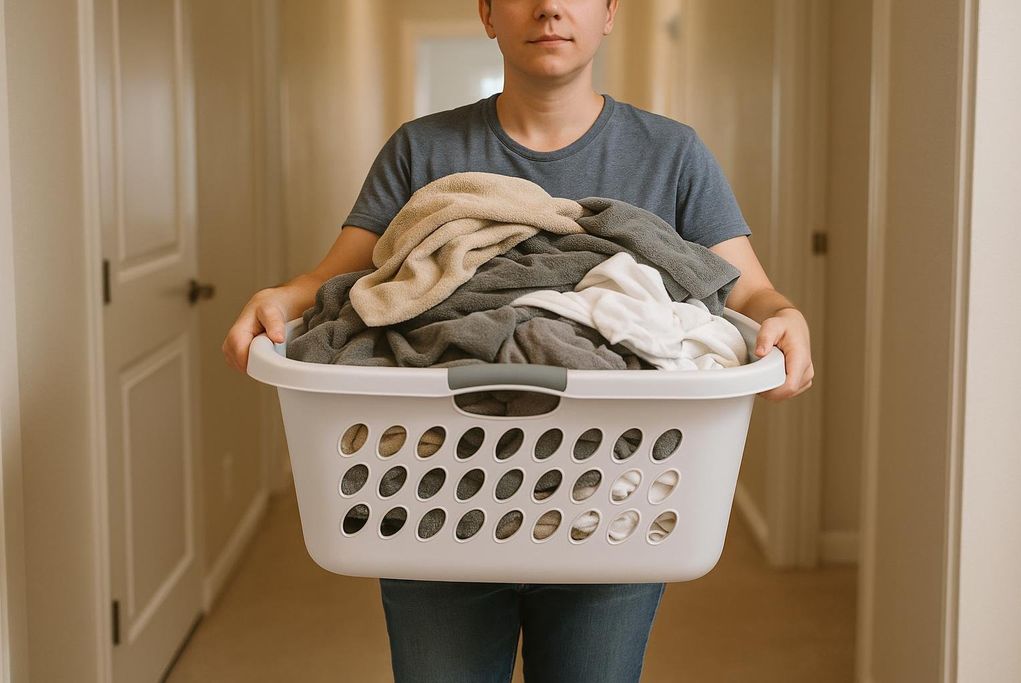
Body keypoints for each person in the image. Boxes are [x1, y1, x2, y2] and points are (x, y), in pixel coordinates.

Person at [223, 0, 813, 680]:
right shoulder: (424, 149)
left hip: (613, 498)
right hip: (435, 498)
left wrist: (784, 313)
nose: (550, 7)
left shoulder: (671, 153)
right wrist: (281, 299)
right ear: (487, 13)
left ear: (610, 13)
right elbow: (342, 281)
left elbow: (747, 290)